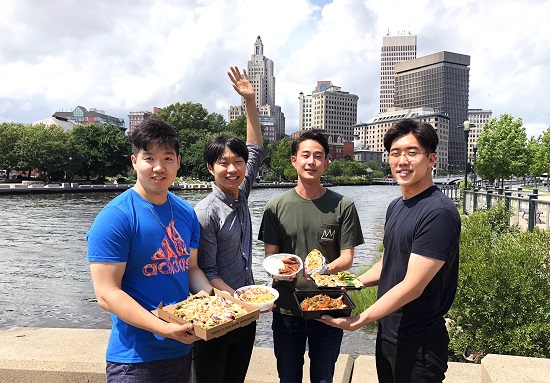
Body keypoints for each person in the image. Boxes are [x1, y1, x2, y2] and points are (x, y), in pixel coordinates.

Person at [319, 119, 461, 383]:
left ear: (432, 159)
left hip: (419, 342)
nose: (402, 160)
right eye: (395, 153)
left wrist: (360, 319)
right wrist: (348, 284)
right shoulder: (397, 206)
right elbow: (388, 263)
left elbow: (413, 286)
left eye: (412, 152)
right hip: (389, 333)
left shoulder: (438, 212)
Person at [87, 118, 213, 383]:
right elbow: (106, 294)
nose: (158, 167)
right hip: (134, 361)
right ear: (134, 162)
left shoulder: (186, 213)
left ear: (178, 162)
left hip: (182, 349)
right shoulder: (115, 217)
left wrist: (214, 301)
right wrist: (163, 328)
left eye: (167, 158)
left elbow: (190, 268)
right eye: (149, 158)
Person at [258, 129, 364, 383]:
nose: (311, 162)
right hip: (286, 307)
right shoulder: (275, 207)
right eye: (305, 155)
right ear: (294, 160)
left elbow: (346, 257)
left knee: (324, 377)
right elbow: (271, 256)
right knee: (288, 376)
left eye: (318, 156)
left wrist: (323, 270)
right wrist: (282, 271)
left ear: (327, 162)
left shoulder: (343, 206)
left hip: (329, 307)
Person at [192, 66, 268, 383]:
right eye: (224, 163)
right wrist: (243, 302)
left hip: (245, 316)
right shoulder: (205, 212)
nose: (233, 168)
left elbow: (256, 148)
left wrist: (250, 101)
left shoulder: (241, 192)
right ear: (211, 167)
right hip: (219, 314)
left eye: (237, 162)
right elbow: (207, 272)